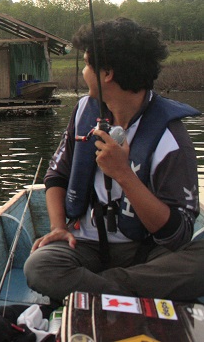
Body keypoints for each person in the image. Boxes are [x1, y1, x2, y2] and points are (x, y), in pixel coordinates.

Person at [24, 17, 204, 303]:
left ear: (106, 73)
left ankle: (102, 290)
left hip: (149, 251)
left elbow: (177, 234)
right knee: (40, 267)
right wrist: (59, 227)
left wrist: (124, 175)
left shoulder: (170, 137)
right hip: (84, 245)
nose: (83, 72)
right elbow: (56, 176)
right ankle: (134, 295)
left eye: (86, 64)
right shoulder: (84, 111)